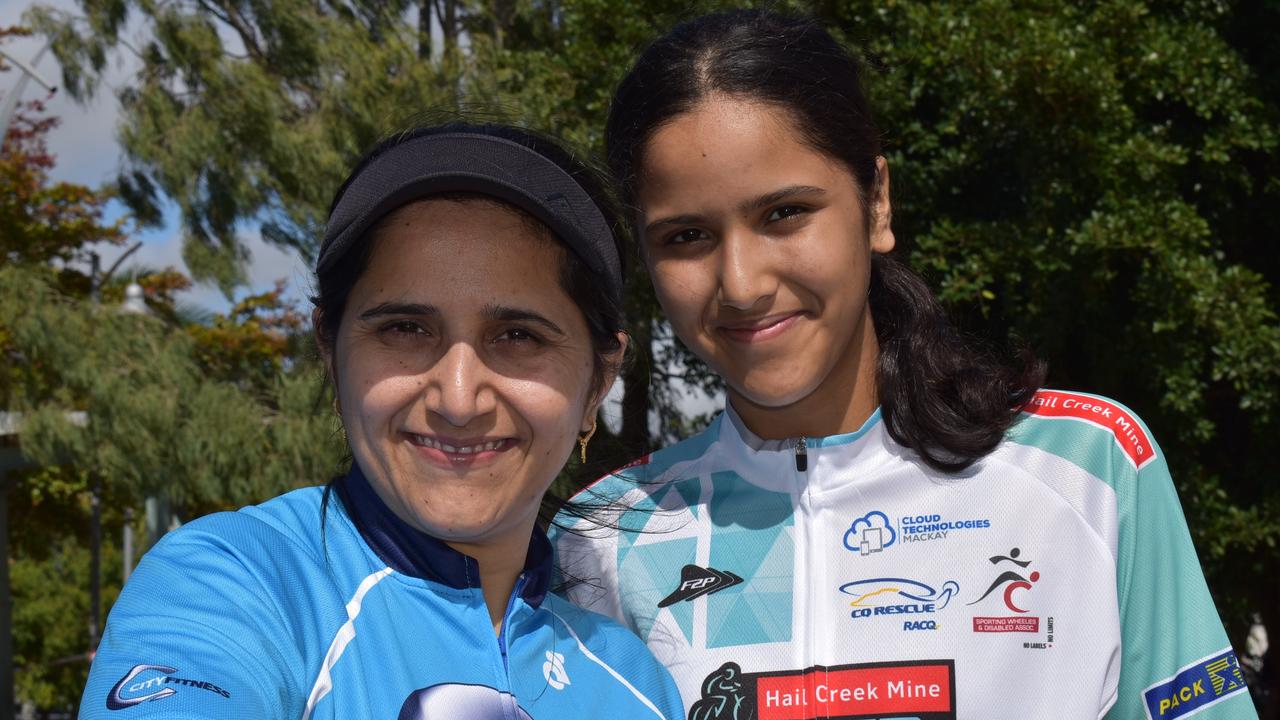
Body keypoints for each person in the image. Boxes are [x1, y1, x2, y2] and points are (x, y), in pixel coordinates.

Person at [552, 10, 1256, 720]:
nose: (741, 282)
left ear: (877, 201)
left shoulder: (1089, 470)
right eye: (687, 235)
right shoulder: (598, 542)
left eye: (785, 214)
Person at [79, 123, 684, 719]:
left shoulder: (633, 682)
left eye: (518, 336)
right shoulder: (233, 586)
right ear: (330, 350)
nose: (458, 398)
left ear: (597, 384)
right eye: (405, 329)